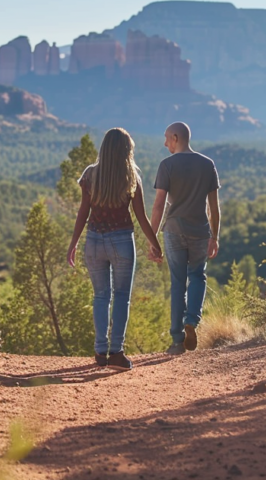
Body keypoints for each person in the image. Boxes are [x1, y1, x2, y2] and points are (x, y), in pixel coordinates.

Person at [68, 128, 162, 371]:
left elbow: (83, 212)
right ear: (126, 150)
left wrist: (74, 243)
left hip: (94, 240)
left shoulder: (90, 175)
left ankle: (100, 352)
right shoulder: (132, 176)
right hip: (121, 240)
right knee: (121, 296)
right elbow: (140, 216)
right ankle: (117, 352)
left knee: (101, 296)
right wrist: (155, 243)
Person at [150, 121, 221, 355]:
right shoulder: (207, 164)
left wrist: (152, 239)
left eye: (167, 138)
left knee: (178, 283)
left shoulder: (167, 165)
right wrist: (215, 236)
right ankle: (192, 320)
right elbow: (214, 207)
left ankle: (176, 341)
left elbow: (159, 205)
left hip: (174, 230)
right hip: (200, 232)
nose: (164, 143)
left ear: (176, 137)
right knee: (198, 276)